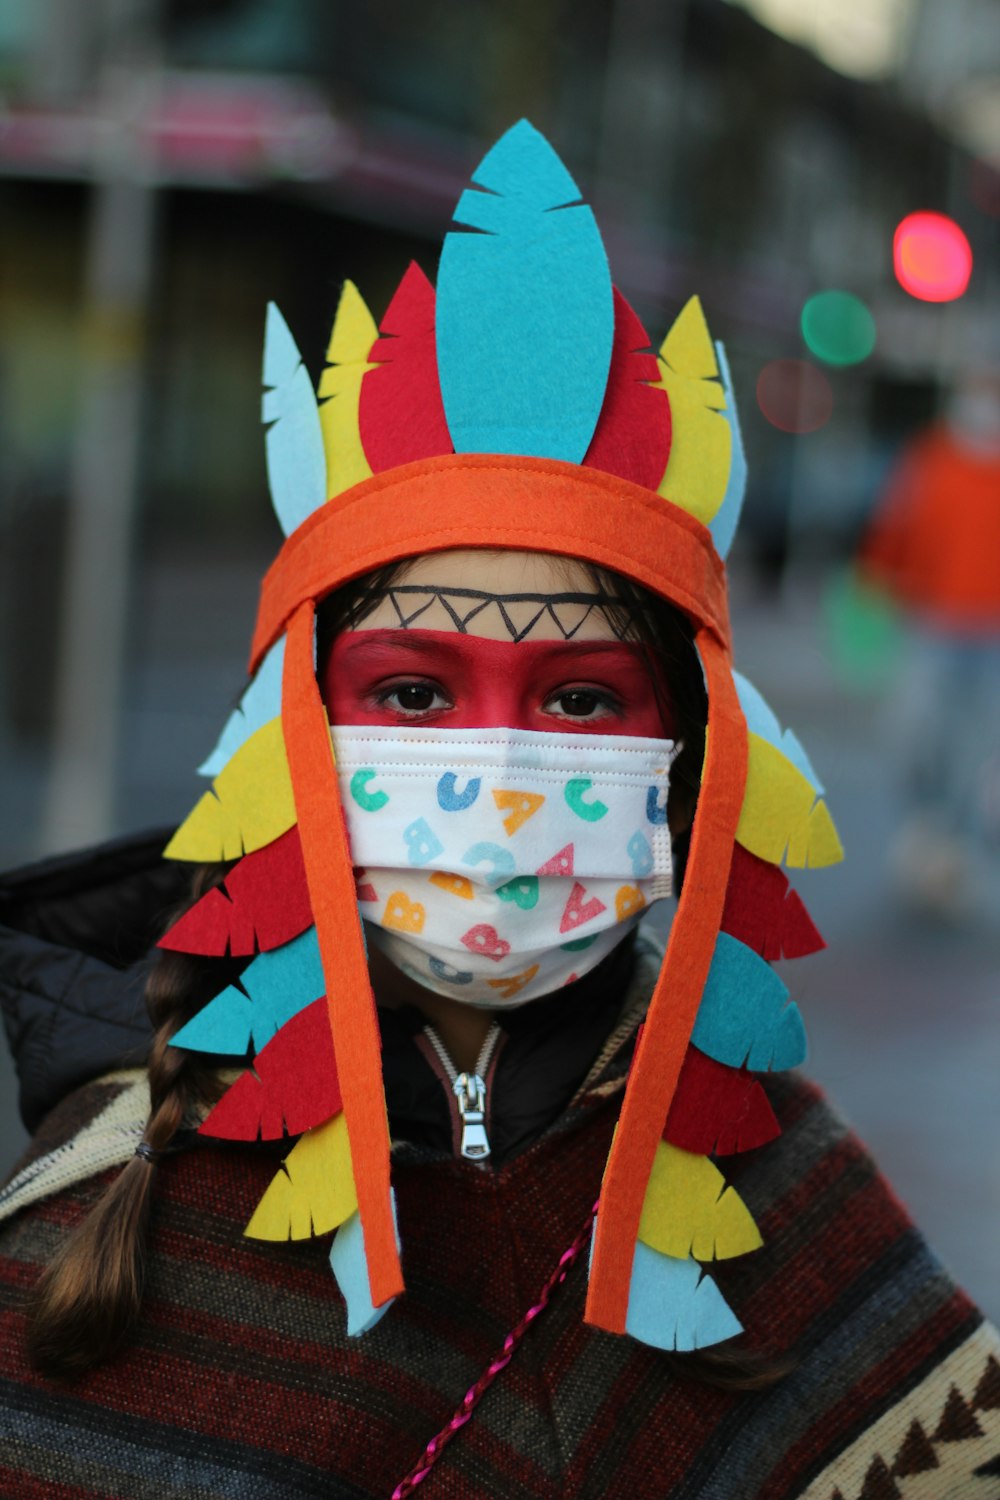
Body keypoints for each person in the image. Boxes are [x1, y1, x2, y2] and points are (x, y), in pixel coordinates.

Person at [1, 121, 998, 1500]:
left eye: (584, 701)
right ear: (293, 735)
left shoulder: (798, 1207)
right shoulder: (93, 1217)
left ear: (697, 763)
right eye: (412, 695)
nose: (501, 774)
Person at [857, 373, 1000, 922]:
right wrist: (875, 581)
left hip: (991, 630)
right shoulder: (930, 458)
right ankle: (925, 823)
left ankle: (954, 843)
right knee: (918, 728)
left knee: (979, 745)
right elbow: (896, 523)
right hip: (932, 621)